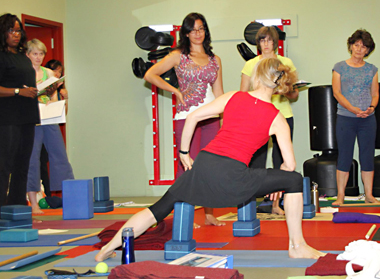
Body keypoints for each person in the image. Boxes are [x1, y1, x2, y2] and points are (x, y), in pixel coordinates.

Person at [95, 58, 325, 262]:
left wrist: (184, 153)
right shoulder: (277, 118)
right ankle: (297, 245)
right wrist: (280, 184)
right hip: (232, 177)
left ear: (256, 77)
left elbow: (193, 116)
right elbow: (290, 166)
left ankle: (107, 247)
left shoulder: (233, 97)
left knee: (158, 209)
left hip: (204, 165)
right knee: (294, 180)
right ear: (278, 84)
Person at [144, 13, 224, 227]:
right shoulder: (178, 55)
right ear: (186, 33)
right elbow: (150, 74)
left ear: (205, 31)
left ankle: (208, 214)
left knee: (208, 167)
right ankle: (183, 214)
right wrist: (175, 91)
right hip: (186, 116)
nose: (197, 33)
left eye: (201, 29)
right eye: (193, 29)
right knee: (186, 166)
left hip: (210, 119)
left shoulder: (215, 60)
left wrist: (224, 121)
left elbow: (219, 93)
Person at [240, 26, 299, 216]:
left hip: (282, 116)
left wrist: (286, 89)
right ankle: (250, 205)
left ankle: (276, 205)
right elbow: (243, 95)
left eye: (269, 40)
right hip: (258, 117)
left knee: (281, 162)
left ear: (275, 43)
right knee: (256, 162)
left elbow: (294, 93)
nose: (266, 44)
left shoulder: (285, 62)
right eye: (262, 41)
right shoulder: (251, 64)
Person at [26, 39, 74, 214]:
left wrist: (52, 103)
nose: (38, 57)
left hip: (49, 118)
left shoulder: (49, 73)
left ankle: (70, 198)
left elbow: (53, 98)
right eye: (35, 54)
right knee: (32, 159)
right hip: (32, 120)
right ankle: (34, 203)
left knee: (60, 156)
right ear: (28, 55)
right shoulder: (25, 73)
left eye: (41, 54)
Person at [332, 29, 379, 206]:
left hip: (368, 118)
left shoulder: (372, 70)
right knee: (344, 155)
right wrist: (353, 109)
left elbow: (375, 93)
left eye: (363, 46)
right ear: (351, 46)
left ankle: (369, 195)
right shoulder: (339, 67)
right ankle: (340, 196)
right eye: (356, 45)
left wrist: (371, 107)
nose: (359, 49)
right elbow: (336, 92)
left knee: (367, 156)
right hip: (346, 118)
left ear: (368, 50)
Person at [0, 13, 39, 207]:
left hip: (27, 116)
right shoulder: (2, 57)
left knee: (22, 165)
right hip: (8, 118)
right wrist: (18, 92)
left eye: (18, 30)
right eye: (11, 30)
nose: (16, 34)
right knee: (4, 165)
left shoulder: (23, 57)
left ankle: (17, 208)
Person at [38, 59, 69, 197]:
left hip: (51, 123)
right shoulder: (40, 82)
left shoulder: (58, 89)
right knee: (39, 160)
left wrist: (65, 99)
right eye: (55, 71)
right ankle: (42, 193)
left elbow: (62, 114)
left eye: (60, 72)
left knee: (58, 157)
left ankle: (54, 194)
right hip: (37, 125)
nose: (57, 74)